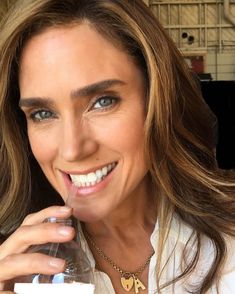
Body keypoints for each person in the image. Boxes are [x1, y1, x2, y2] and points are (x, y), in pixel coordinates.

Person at [0, 0, 234, 293]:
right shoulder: (17, 269)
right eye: (43, 114)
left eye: (102, 102)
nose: (73, 150)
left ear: (158, 101)